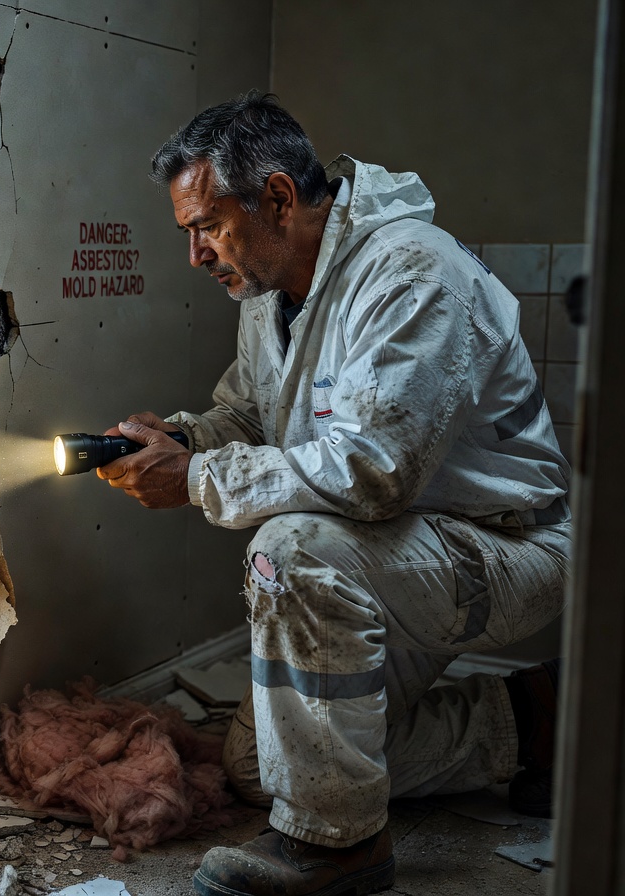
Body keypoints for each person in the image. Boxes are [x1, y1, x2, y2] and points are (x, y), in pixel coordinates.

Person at [96, 92, 570, 896]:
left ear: (278, 198)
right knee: (262, 766)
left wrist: (198, 479)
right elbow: (249, 413)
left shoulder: (413, 270)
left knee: (291, 552)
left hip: (506, 544)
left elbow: (374, 471)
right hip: (397, 550)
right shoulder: (269, 292)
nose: (197, 253)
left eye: (206, 225)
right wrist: (182, 440)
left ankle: (340, 849)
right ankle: (525, 723)